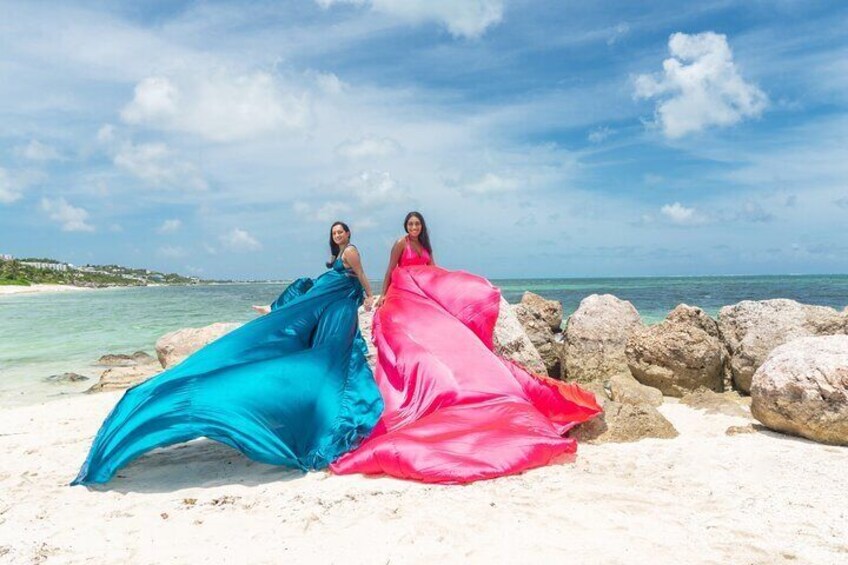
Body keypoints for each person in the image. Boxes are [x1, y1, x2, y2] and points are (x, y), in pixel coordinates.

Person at [72, 221, 383, 486]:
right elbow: (319, 291)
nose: (338, 235)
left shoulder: (351, 253)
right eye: (335, 233)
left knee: (333, 358)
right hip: (330, 309)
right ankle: (277, 315)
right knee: (321, 343)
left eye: (341, 231)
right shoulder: (336, 257)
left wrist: (369, 296)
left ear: (348, 234)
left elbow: (362, 277)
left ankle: (285, 329)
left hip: (340, 311)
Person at [331, 211, 601, 484]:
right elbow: (391, 269)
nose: (413, 227)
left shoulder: (424, 246)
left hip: (421, 289)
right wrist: (385, 294)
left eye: (417, 224)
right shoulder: (401, 244)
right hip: (404, 290)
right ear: (406, 227)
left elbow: (434, 271)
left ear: (421, 227)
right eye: (410, 224)